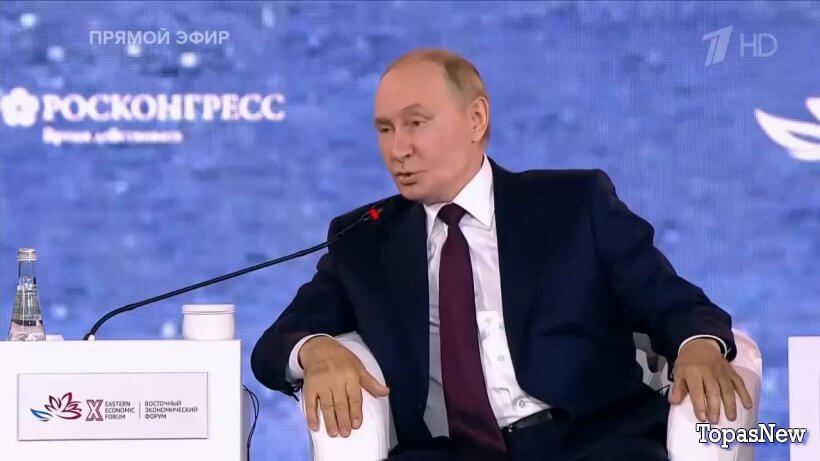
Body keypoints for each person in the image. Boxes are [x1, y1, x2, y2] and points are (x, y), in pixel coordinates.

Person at [251, 49, 753, 461]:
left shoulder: (573, 205)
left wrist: (698, 347)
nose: (398, 148)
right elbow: (277, 342)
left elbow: (672, 301)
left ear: (475, 119)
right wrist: (314, 350)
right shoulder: (365, 239)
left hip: (593, 441)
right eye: (385, 129)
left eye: (416, 123)